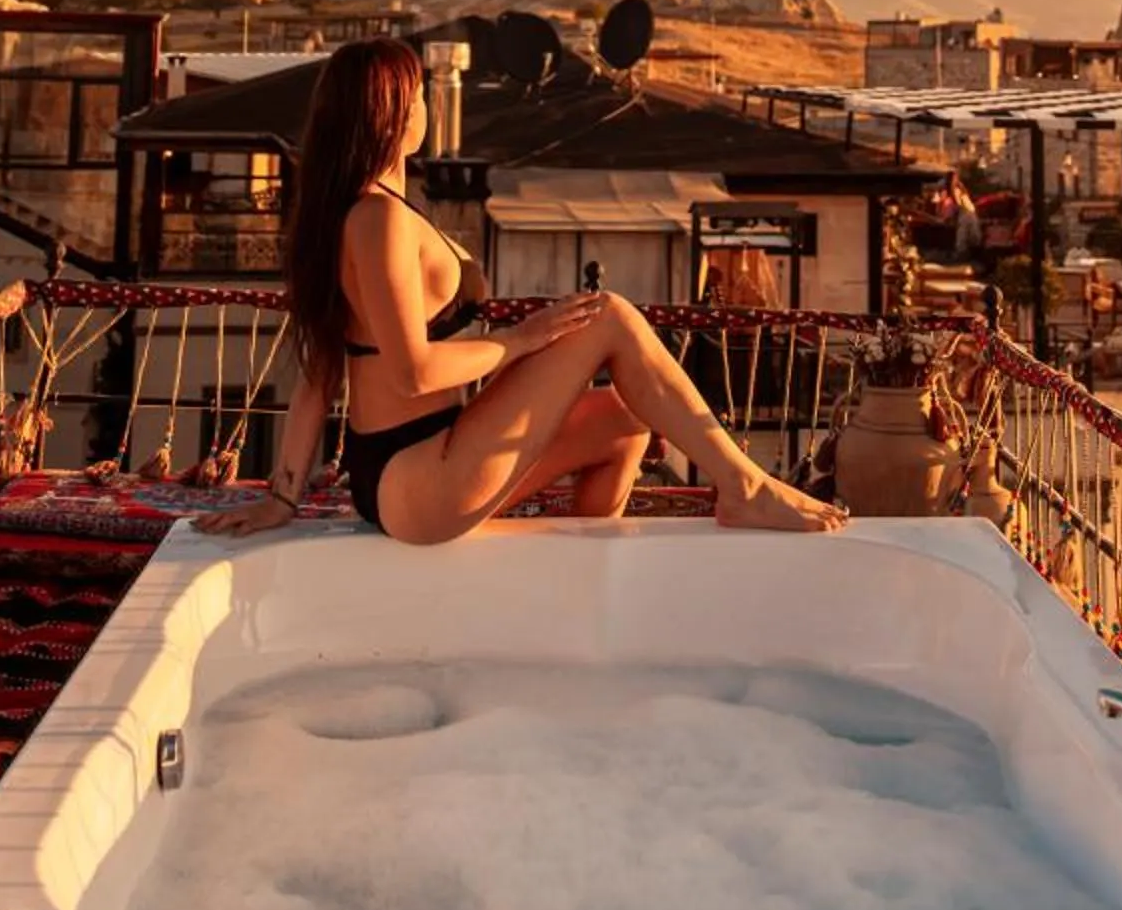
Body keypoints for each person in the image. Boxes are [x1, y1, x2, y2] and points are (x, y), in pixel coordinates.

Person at [198, 38, 846, 545]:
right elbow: (413, 369)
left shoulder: (376, 209)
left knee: (623, 426)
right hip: (418, 475)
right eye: (420, 93)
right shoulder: (376, 220)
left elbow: (319, 368)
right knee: (610, 317)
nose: (428, 105)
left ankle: (578, 586)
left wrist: (283, 495)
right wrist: (518, 341)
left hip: (419, 464)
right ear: (395, 112)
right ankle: (743, 484)